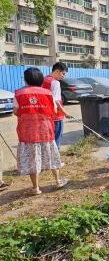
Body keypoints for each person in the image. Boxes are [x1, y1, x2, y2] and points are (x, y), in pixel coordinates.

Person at [14, 67, 67, 195]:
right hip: (45, 129)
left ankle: (36, 188)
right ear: (40, 79)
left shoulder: (19, 93)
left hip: (27, 132)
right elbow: (54, 111)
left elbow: (16, 111)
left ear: (26, 80)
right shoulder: (47, 93)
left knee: (33, 158)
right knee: (51, 154)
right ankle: (58, 181)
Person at [42, 62, 72, 149]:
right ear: (57, 71)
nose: (63, 76)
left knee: (48, 139)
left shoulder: (43, 80)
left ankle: (49, 160)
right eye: (63, 74)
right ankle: (56, 161)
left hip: (45, 115)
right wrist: (65, 112)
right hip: (56, 116)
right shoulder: (55, 82)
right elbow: (55, 100)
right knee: (56, 139)